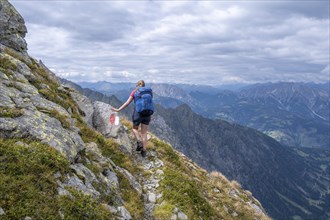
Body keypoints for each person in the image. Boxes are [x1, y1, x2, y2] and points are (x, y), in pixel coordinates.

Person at [111, 80, 151, 157]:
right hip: (147, 114)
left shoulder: (135, 92)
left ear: (137, 85)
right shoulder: (148, 93)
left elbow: (127, 103)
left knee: (135, 129)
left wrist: (118, 109)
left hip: (138, 113)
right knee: (144, 132)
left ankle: (139, 142)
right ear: (144, 86)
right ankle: (144, 151)